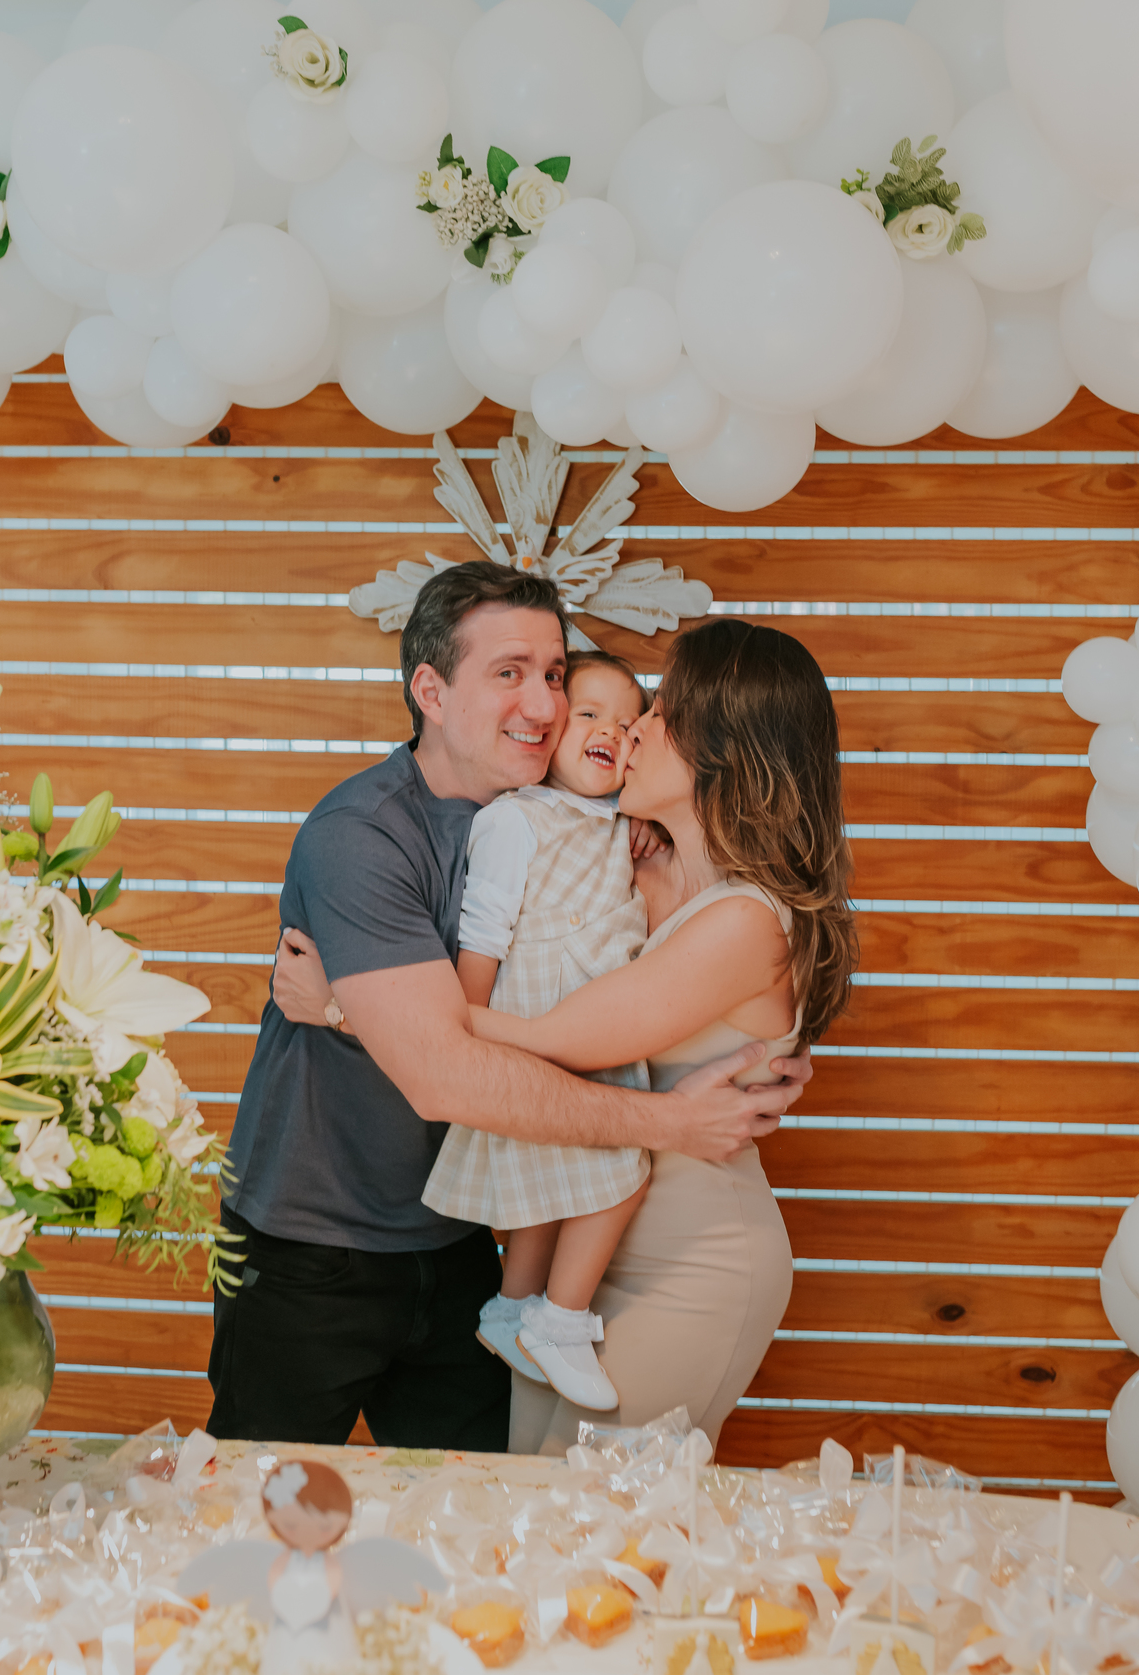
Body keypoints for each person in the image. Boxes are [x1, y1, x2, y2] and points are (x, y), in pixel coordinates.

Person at [208, 563, 813, 1453]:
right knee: (266, 1503)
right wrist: (673, 1121)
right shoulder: (364, 837)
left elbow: (723, 946)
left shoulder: (588, 830)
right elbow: (443, 1073)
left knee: (498, 1509)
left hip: (462, 1246)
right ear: (431, 691)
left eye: (555, 674)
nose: (544, 704)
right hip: (317, 1246)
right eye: (508, 673)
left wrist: (771, 1042)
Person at [467, 617, 858, 1456]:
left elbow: (563, 1037)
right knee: (529, 1502)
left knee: (593, 1530)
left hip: (692, 1268)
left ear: (726, 750)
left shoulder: (748, 922)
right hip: (578, 1263)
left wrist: (367, 1008)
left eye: (662, 714)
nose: (632, 729)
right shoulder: (637, 865)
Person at [422, 651, 658, 1413]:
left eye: (626, 725)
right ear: (549, 736)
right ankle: (558, 1318)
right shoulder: (517, 819)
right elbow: (484, 929)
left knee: (549, 1190)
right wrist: (470, 1031)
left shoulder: (623, 825)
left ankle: (511, 1306)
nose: (608, 732)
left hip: (593, 1020)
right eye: (588, 714)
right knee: (618, 1170)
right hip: (535, 1021)